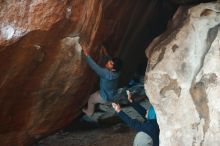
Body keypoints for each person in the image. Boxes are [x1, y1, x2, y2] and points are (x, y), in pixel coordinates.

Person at [82, 46, 122, 116]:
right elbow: (112, 62)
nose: (108, 62)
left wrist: (86, 55)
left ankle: (89, 113)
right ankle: (108, 104)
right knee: (99, 93)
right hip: (112, 95)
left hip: (104, 97)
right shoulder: (117, 72)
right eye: (110, 61)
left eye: (110, 64)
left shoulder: (106, 73)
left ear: (113, 69)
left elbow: (95, 67)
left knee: (91, 99)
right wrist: (106, 53)